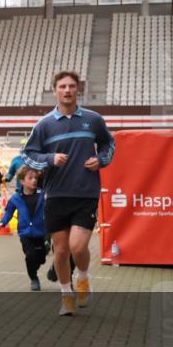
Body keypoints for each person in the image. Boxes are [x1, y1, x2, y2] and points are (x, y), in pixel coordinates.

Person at [24, 70, 114, 316]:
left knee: (77, 247)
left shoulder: (93, 119)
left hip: (86, 193)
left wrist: (100, 160)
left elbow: (108, 143)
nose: (67, 90)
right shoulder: (44, 125)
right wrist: (50, 159)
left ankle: (83, 277)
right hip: (55, 195)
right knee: (61, 251)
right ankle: (66, 294)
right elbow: (29, 154)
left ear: (78, 90)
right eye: (62, 86)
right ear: (55, 90)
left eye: (71, 86)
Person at [0, 166, 48, 290]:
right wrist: (3, 222)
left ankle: (34, 265)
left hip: (40, 232)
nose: (34, 180)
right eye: (30, 178)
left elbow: (50, 208)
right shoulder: (16, 198)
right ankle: (34, 278)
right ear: (22, 181)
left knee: (41, 259)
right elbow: (9, 212)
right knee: (30, 255)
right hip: (25, 233)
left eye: (35, 178)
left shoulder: (42, 194)